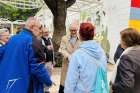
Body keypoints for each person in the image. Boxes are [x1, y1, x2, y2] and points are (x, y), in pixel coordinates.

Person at [0, 17, 52, 93]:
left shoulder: (12, 39)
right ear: (32, 27)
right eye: (40, 27)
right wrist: (48, 81)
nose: (41, 31)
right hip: (25, 86)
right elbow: (38, 68)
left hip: (8, 85)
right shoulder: (34, 42)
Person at [64, 23, 108, 93]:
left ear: (80, 35)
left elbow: (70, 82)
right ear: (93, 35)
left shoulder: (77, 55)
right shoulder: (102, 52)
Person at [111, 28, 140, 93]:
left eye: (121, 39)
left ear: (126, 41)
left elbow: (126, 85)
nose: (120, 41)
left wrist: (113, 87)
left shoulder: (127, 57)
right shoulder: (137, 51)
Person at [58, 23, 80, 93]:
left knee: (75, 84)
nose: (73, 32)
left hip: (77, 65)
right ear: (69, 30)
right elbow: (62, 49)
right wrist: (68, 56)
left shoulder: (81, 38)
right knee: (64, 84)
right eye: (71, 30)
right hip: (67, 64)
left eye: (75, 30)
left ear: (77, 30)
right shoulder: (64, 38)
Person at [41, 27, 54, 93]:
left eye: (47, 32)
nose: (47, 33)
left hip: (50, 62)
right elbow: (41, 49)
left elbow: (53, 51)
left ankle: (47, 90)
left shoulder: (50, 39)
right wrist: (46, 47)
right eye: (45, 32)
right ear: (42, 33)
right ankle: (42, 89)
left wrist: (53, 61)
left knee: (49, 76)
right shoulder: (40, 39)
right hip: (43, 62)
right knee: (43, 76)